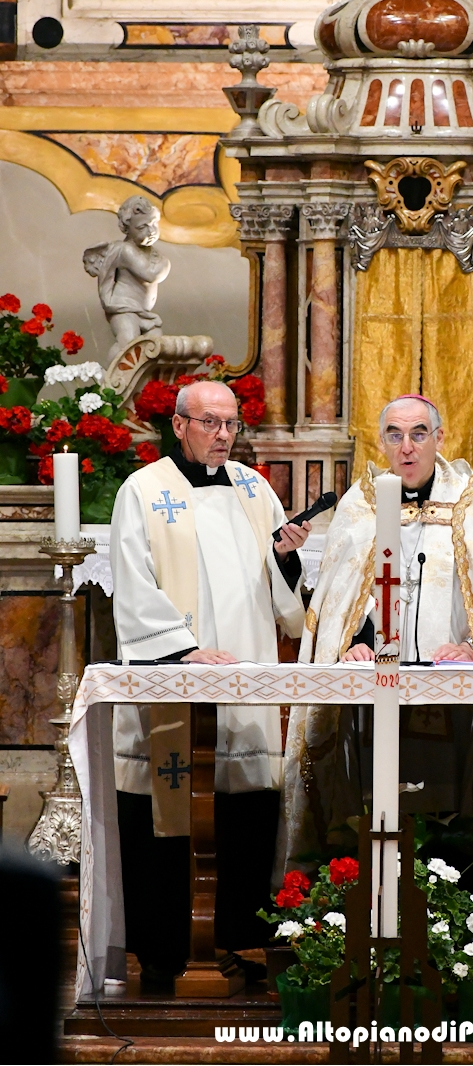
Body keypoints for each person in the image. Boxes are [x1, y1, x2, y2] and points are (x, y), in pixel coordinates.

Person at [280, 394, 473, 891]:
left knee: (449, 802)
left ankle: (457, 897)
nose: (407, 447)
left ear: (439, 439)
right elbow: (341, 595)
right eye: (395, 435)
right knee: (376, 797)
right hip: (374, 695)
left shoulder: (471, 502)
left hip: (450, 693)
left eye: (419, 434)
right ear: (382, 443)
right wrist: (354, 640)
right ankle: (364, 892)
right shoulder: (359, 505)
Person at [110, 379, 310, 986]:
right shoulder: (142, 491)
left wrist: (285, 557)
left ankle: (241, 945)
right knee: (167, 815)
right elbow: (134, 583)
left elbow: (285, 603)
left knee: (245, 814)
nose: (223, 434)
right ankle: (164, 953)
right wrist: (184, 651)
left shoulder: (254, 488)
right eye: (210, 422)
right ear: (179, 425)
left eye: (230, 423)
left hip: (245, 681)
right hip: (175, 684)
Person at [83, 196, 172, 364]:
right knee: (127, 342)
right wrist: (166, 263)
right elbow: (150, 274)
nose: (151, 231)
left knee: (156, 345)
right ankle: (109, 381)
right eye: (143, 227)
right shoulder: (125, 250)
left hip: (143, 312)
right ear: (127, 228)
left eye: (154, 223)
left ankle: (144, 386)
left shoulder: (151, 253)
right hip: (123, 308)